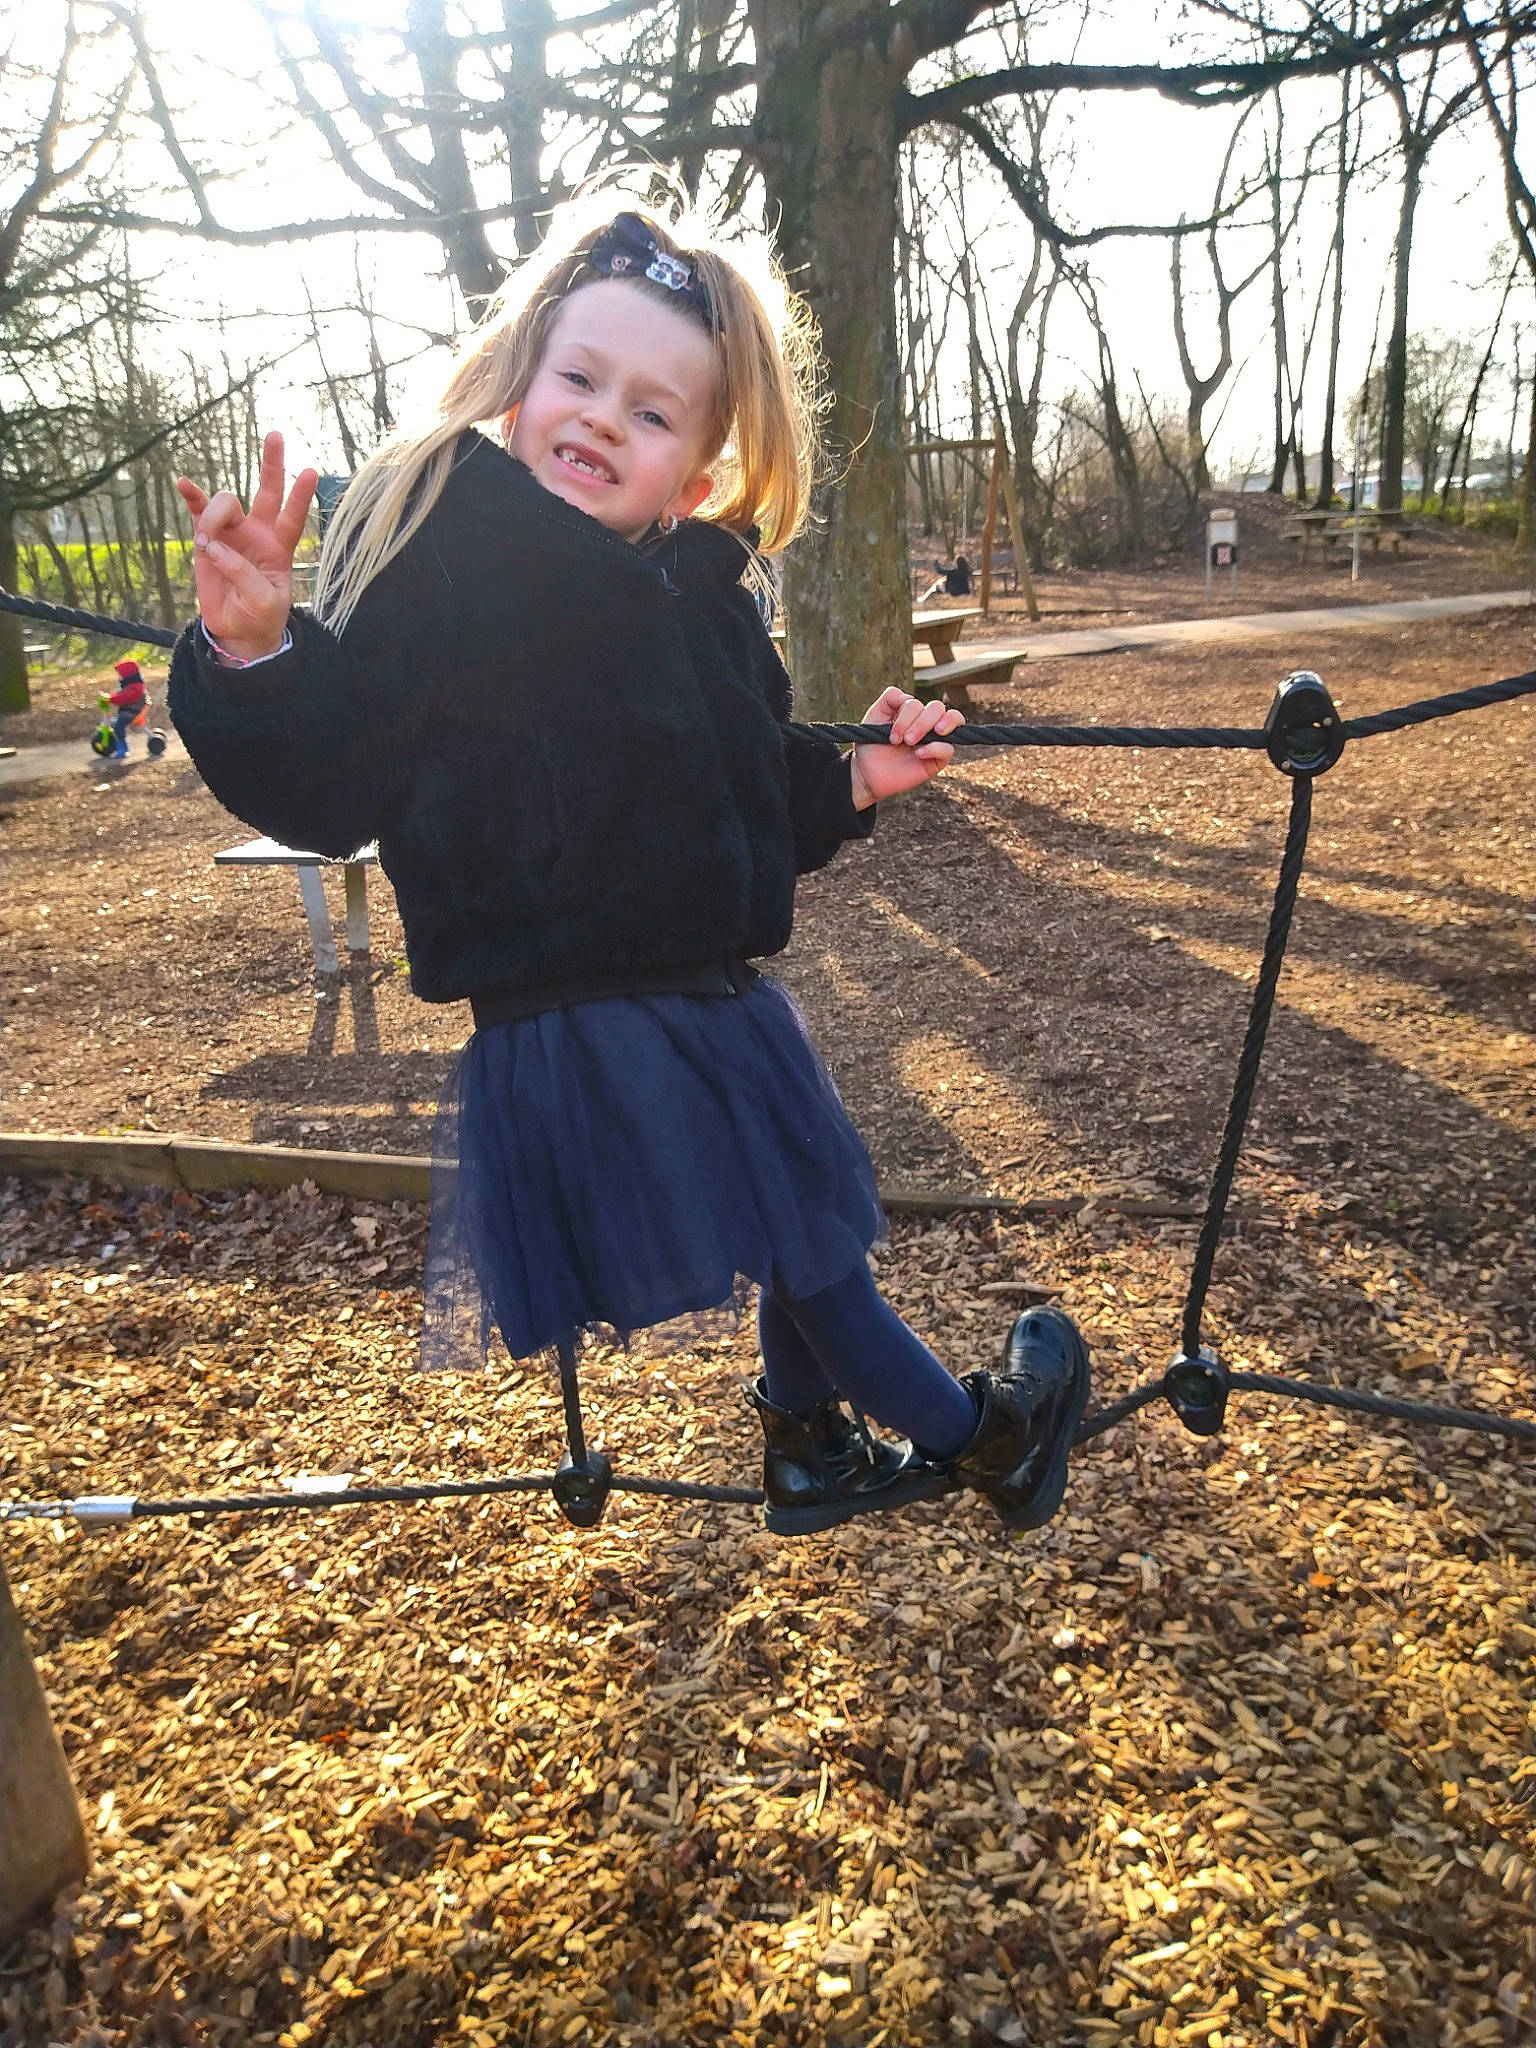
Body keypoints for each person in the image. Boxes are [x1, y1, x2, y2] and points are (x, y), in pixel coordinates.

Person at [169, 196, 1090, 1539]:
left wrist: (853, 779)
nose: (604, 417)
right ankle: (988, 1444)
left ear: (700, 472)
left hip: (711, 999)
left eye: (653, 412)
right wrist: (256, 653)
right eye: (581, 379)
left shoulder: (704, 605)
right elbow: (333, 775)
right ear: (522, 380)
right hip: (587, 1022)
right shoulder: (454, 569)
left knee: (801, 1225)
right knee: (819, 1257)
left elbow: (751, 790)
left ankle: (808, 1444)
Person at [102, 658, 148, 758]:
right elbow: (121, 694)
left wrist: (111, 698)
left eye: (121, 674)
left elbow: (125, 697)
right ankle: (118, 744)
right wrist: (110, 696)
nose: (119, 676)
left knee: (118, 726)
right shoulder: (129, 685)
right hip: (128, 711)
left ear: (128, 674)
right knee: (115, 724)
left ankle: (123, 748)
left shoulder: (135, 687)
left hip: (132, 712)